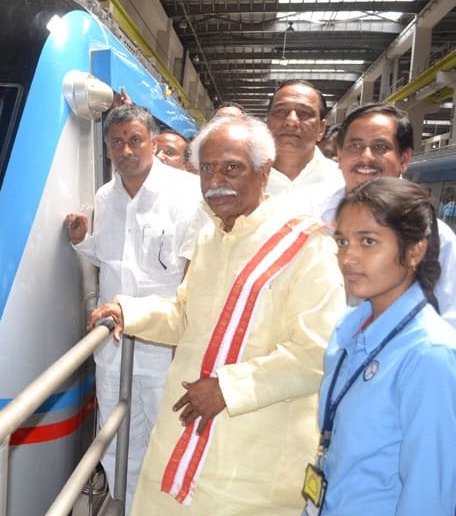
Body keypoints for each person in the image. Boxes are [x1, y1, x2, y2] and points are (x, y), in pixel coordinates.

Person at [90, 115, 345, 515]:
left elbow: (317, 353)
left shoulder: (306, 245)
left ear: (264, 171)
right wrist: (129, 311)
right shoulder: (211, 235)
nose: (214, 181)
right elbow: (186, 315)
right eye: (207, 168)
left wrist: (229, 388)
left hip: (253, 454)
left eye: (232, 168)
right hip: (188, 435)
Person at [64, 104, 202, 512]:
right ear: (107, 148)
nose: (127, 150)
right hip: (115, 346)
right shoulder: (106, 197)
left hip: (164, 348)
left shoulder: (185, 192)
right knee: (117, 437)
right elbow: (112, 259)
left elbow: (196, 269)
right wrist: (82, 241)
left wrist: (189, 338)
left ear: (154, 143)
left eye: (135, 140)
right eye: (117, 142)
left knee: (168, 440)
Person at [303, 177, 456, 516]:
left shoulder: (429, 354)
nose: (348, 258)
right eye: (342, 241)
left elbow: (429, 492)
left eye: (368, 241)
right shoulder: (349, 327)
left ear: (414, 250)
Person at [322, 102, 456, 328]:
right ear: (339, 155)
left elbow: (450, 321)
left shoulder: (435, 238)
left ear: (404, 159)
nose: (366, 157)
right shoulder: (312, 218)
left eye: (380, 147)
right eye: (355, 145)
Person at [265, 79, 343, 215]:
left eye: (304, 113)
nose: (291, 121)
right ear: (267, 123)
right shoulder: (244, 179)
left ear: (321, 129)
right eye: (281, 111)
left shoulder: (341, 183)